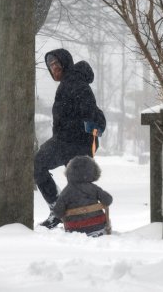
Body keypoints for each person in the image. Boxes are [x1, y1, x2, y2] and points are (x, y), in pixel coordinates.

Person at [35, 48, 106, 229]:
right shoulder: (68, 83)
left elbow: (90, 112)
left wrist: (82, 132)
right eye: (50, 66)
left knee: (78, 184)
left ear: (65, 63)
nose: (54, 69)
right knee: (39, 165)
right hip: (65, 141)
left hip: (76, 143)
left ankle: (83, 221)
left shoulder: (76, 84)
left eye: (56, 64)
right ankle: (60, 211)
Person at [53, 155, 113, 237]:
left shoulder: (66, 192)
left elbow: (58, 212)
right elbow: (108, 200)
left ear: (69, 172)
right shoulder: (94, 188)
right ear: (93, 172)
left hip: (75, 229)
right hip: (98, 225)